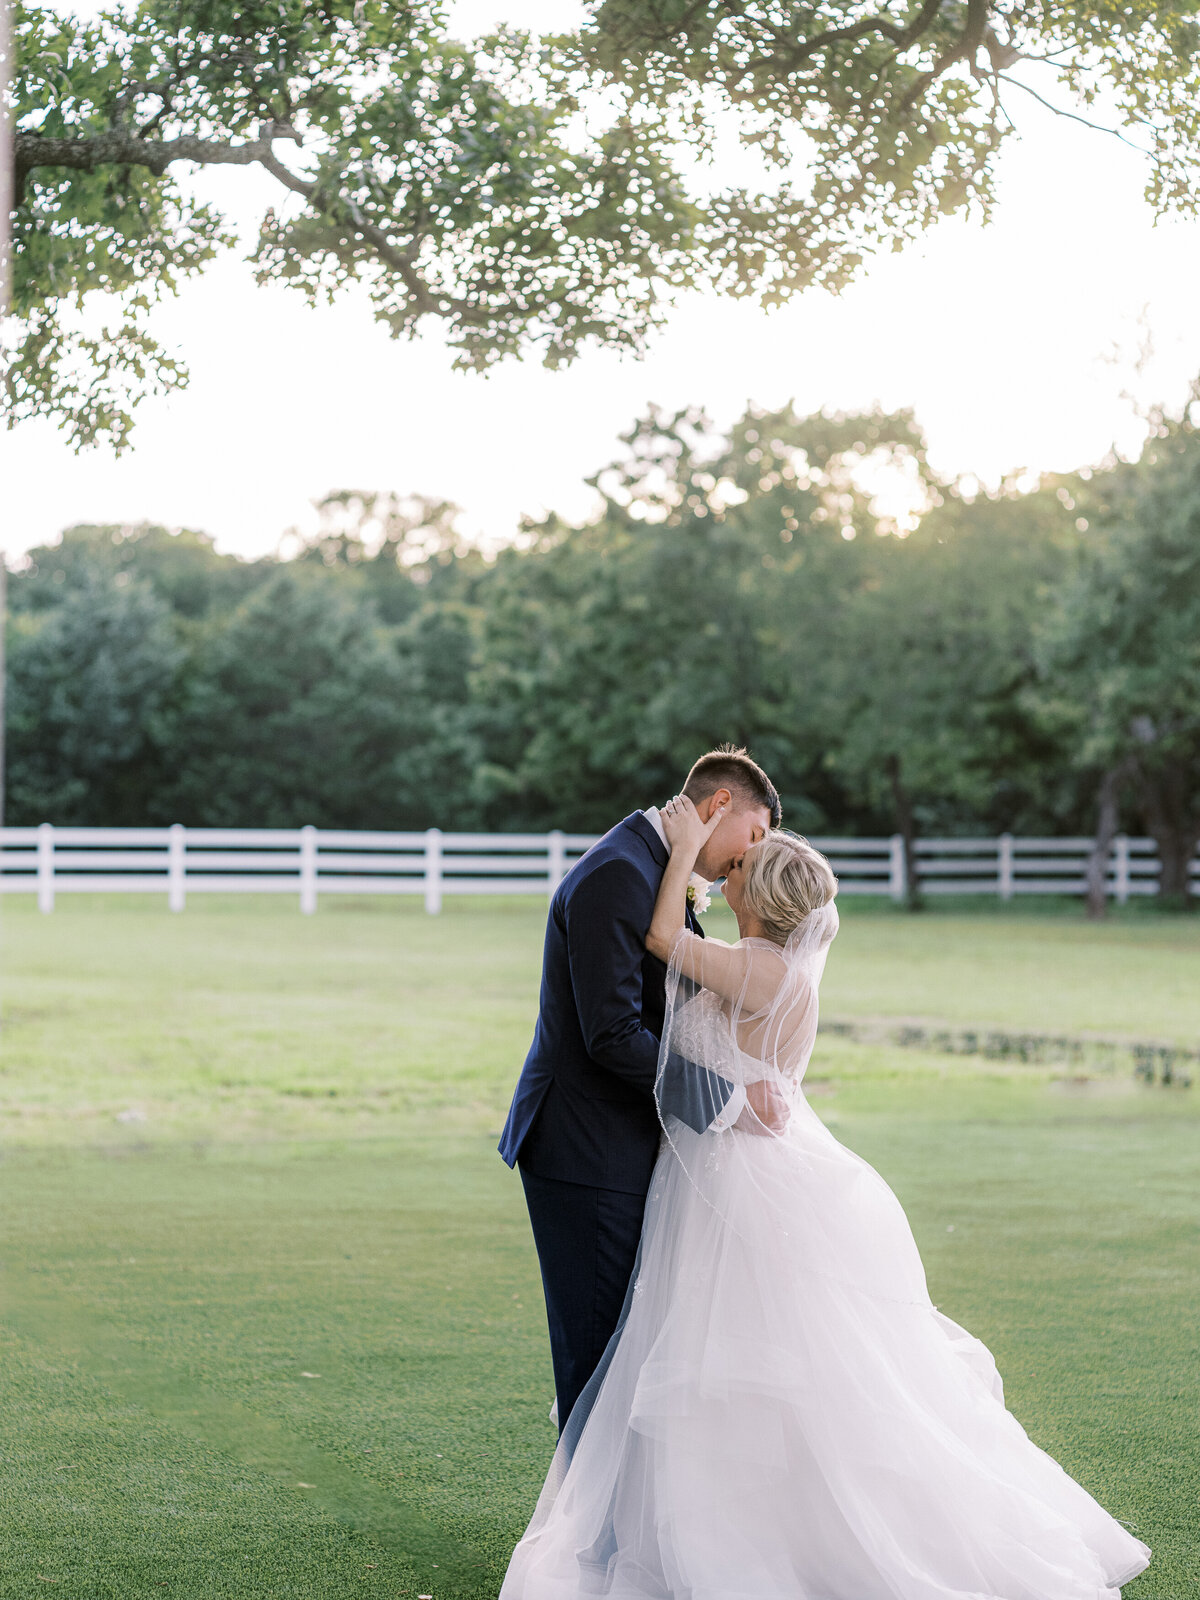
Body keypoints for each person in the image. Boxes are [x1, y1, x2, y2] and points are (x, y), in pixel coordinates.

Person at [500, 795, 1152, 1600]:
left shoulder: (753, 968)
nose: (727, 871)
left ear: (761, 896)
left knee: (724, 1355)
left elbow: (663, 942)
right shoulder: (768, 967)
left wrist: (679, 852)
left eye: (739, 867)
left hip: (729, 1178)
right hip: (727, 1171)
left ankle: (730, 1535)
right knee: (741, 1356)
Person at [499, 746, 782, 1434]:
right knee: (597, 1352)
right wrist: (728, 1101)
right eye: (755, 835)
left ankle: (606, 1528)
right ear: (719, 806)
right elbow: (612, 1032)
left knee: (625, 1348)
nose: (752, 856)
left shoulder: (655, 871)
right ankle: (586, 1540)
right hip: (585, 1145)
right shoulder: (618, 874)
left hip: (620, 1140)